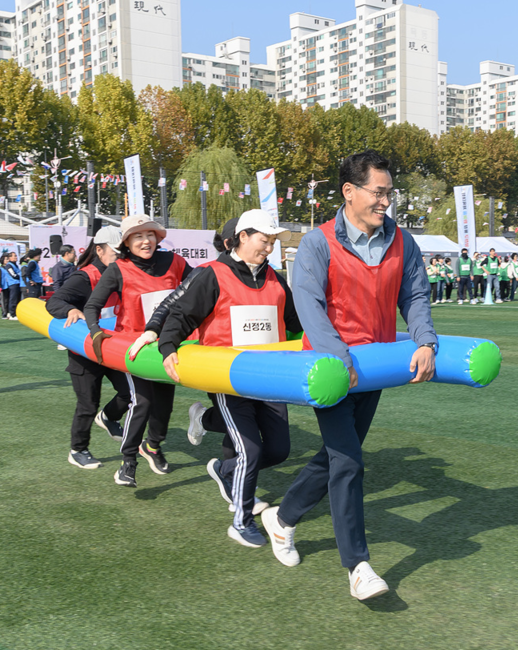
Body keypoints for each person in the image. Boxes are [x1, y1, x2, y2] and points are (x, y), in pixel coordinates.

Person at [261, 150, 436, 601]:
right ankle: (358, 566)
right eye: (379, 193)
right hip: (329, 370)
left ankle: (281, 520)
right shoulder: (318, 243)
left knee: (340, 454)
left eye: (388, 193)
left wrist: (424, 341)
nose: (385, 202)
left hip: (375, 368)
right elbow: (309, 306)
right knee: (349, 462)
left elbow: (415, 295)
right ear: (350, 192)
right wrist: (338, 359)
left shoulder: (403, 242)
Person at [158, 209, 300, 548]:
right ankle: (241, 520)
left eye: (271, 243)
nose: (268, 249)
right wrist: (167, 346)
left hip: (270, 376)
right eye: (264, 241)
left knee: (279, 450)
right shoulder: (212, 274)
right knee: (250, 450)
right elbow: (181, 313)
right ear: (242, 237)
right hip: (228, 376)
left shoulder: (276, 279)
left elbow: (295, 320)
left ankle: (225, 470)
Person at [84, 214, 194, 487]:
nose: (145, 241)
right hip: (132, 347)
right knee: (142, 401)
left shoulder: (175, 262)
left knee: (164, 405)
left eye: (149, 235)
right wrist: (96, 331)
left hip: (166, 344)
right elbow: (92, 306)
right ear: (126, 242)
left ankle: (153, 446)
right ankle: (128, 462)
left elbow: (199, 289)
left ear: (157, 237)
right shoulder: (117, 269)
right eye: (137, 236)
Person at [45, 227, 131, 469]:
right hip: (85, 353)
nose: (120, 256)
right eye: (116, 252)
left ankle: (108, 417)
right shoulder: (84, 277)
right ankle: (78, 450)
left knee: (131, 393)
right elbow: (54, 301)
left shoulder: (124, 274)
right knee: (87, 404)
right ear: (99, 250)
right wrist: (71, 310)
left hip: (112, 349)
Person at [0, 251, 23, 320]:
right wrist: (20, 276)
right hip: (13, 284)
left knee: (18, 299)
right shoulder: (9, 265)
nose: (16, 257)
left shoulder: (15, 265)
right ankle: (12, 314)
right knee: (13, 299)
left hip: (18, 284)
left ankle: (16, 313)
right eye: (14, 256)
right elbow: (13, 275)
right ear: (10, 258)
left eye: (16, 256)